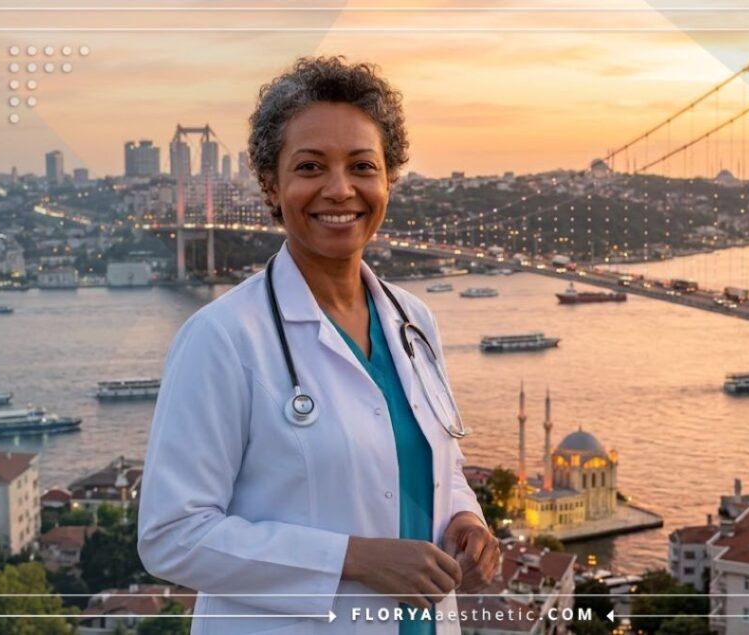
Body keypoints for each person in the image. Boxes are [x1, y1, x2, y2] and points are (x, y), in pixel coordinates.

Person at [138, 56, 500, 635]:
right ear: (270, 183)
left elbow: (437, 465)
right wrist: (353, 559)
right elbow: (171, 537)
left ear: (388, 180)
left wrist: (466, 520)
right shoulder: (222, 337)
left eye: (363, 166)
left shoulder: (414, 321)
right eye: (310, 167)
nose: (339, 189)